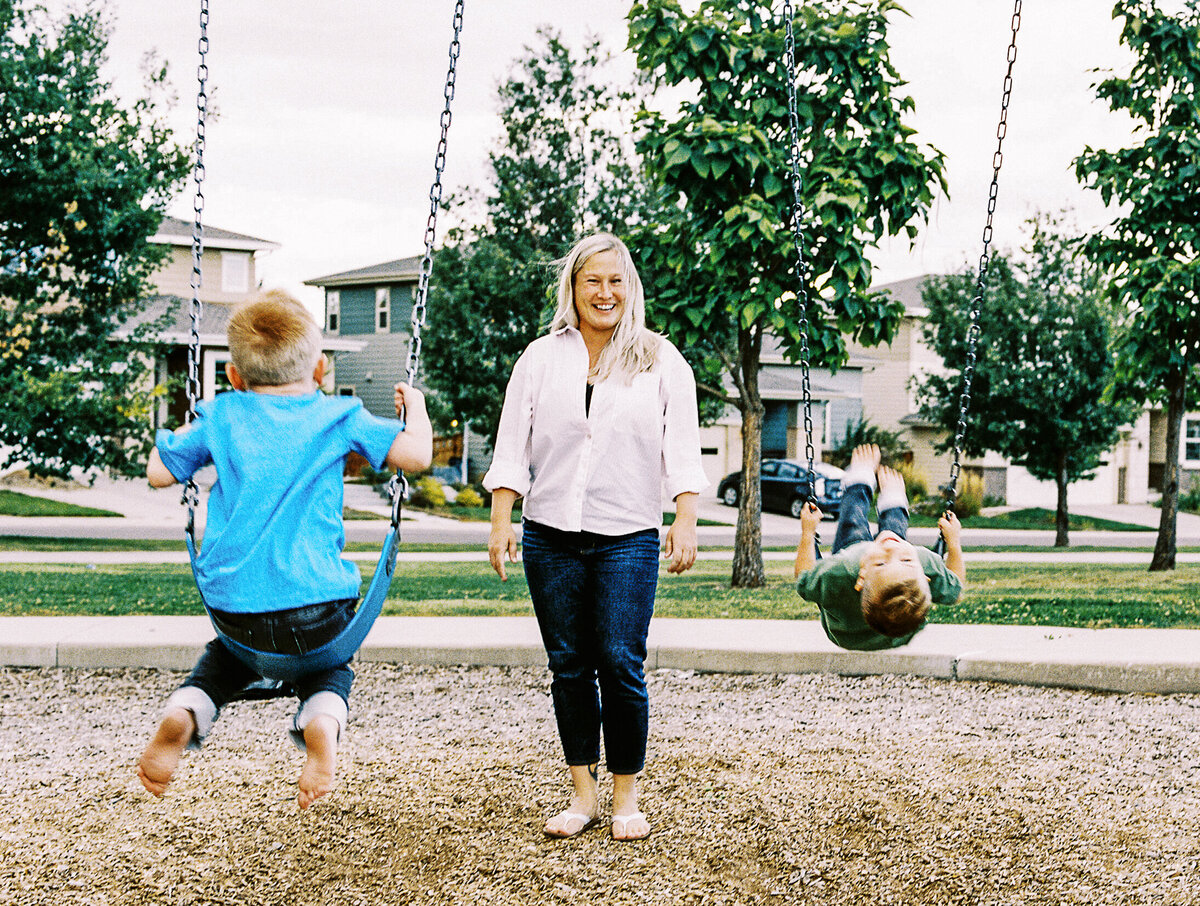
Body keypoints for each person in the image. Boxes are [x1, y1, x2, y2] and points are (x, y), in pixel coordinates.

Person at [136, 289, 432, 809]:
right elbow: (417, 455)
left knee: (222, 666)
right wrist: (418, 411)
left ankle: (185, 712)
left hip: (234, 613)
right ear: (320, 369)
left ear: (234, 375)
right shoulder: (340, 416)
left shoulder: (222, 415)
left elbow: (159, 473)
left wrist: (198, 426)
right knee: (330, 668)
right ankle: (320, 723)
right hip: (316, 610)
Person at [484, 232, 708, 842]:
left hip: (627, 534)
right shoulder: (539, 359)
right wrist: (502, 519)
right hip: (549, 533)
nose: (604, 293)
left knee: (620, 660)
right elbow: (513, 445)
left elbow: (681, 452)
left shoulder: (662, 361)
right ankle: (583, 795)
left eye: (615, 281)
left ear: (628, 288)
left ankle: (626, 796)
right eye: (592, 281)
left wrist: (684, 517)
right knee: (569, 665)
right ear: (574, 289)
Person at [793, 444, 965, 650]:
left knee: (853, 524)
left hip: (844, 633)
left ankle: (860, 481)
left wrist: (808, 533)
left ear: (861, 577)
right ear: (926, 577)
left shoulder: (842, 570)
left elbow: (803, 577)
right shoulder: (924, 563)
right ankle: (893, 501)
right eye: (906, 561)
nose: (891, 551)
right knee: (894, 536)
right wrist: (953, 542)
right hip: (896, 633)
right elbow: (957, 589)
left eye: (882, 563)